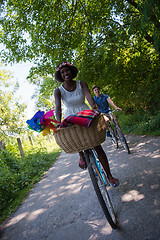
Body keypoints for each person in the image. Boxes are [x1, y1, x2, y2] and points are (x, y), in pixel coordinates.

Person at [54, 61, 119, 187]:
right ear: (60, 75)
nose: (65, 73)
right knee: (76, 139)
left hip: (85, 114)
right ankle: (81, 154)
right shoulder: (58, 91)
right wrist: (58, 122)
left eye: (67, 70)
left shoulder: (81, 83)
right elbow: (58, 108)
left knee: (97, 146)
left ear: (71, 71)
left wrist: (94, 108)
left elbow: (89, 96)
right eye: (62, 72)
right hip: (70, 117)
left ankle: (109, 176)